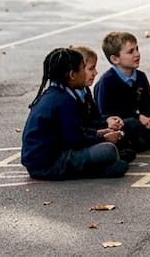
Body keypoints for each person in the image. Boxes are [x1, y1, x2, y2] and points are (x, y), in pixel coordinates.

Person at [20, 47, 129, 180]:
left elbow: (74, 132)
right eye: (83, 68)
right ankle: (95, 171)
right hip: (48, 165)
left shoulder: (57, 94)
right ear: (72, 75)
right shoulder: (64, 101)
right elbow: (75, 141)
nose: (86, 72)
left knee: (115, 152)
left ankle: (100, 167)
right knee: (108, 150)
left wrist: (100, 133)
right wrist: (104, 138)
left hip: (44, 161)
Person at [68, 44, 135, 164]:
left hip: (89, 135)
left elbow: (95, 119)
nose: (95, 72)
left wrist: (107, 123)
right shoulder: (67, 98)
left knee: (126, 130)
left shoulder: (85, 91)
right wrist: (102, 136)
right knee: (113, 157)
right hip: (75, 145)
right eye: (91, 68)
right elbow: (77, 135)